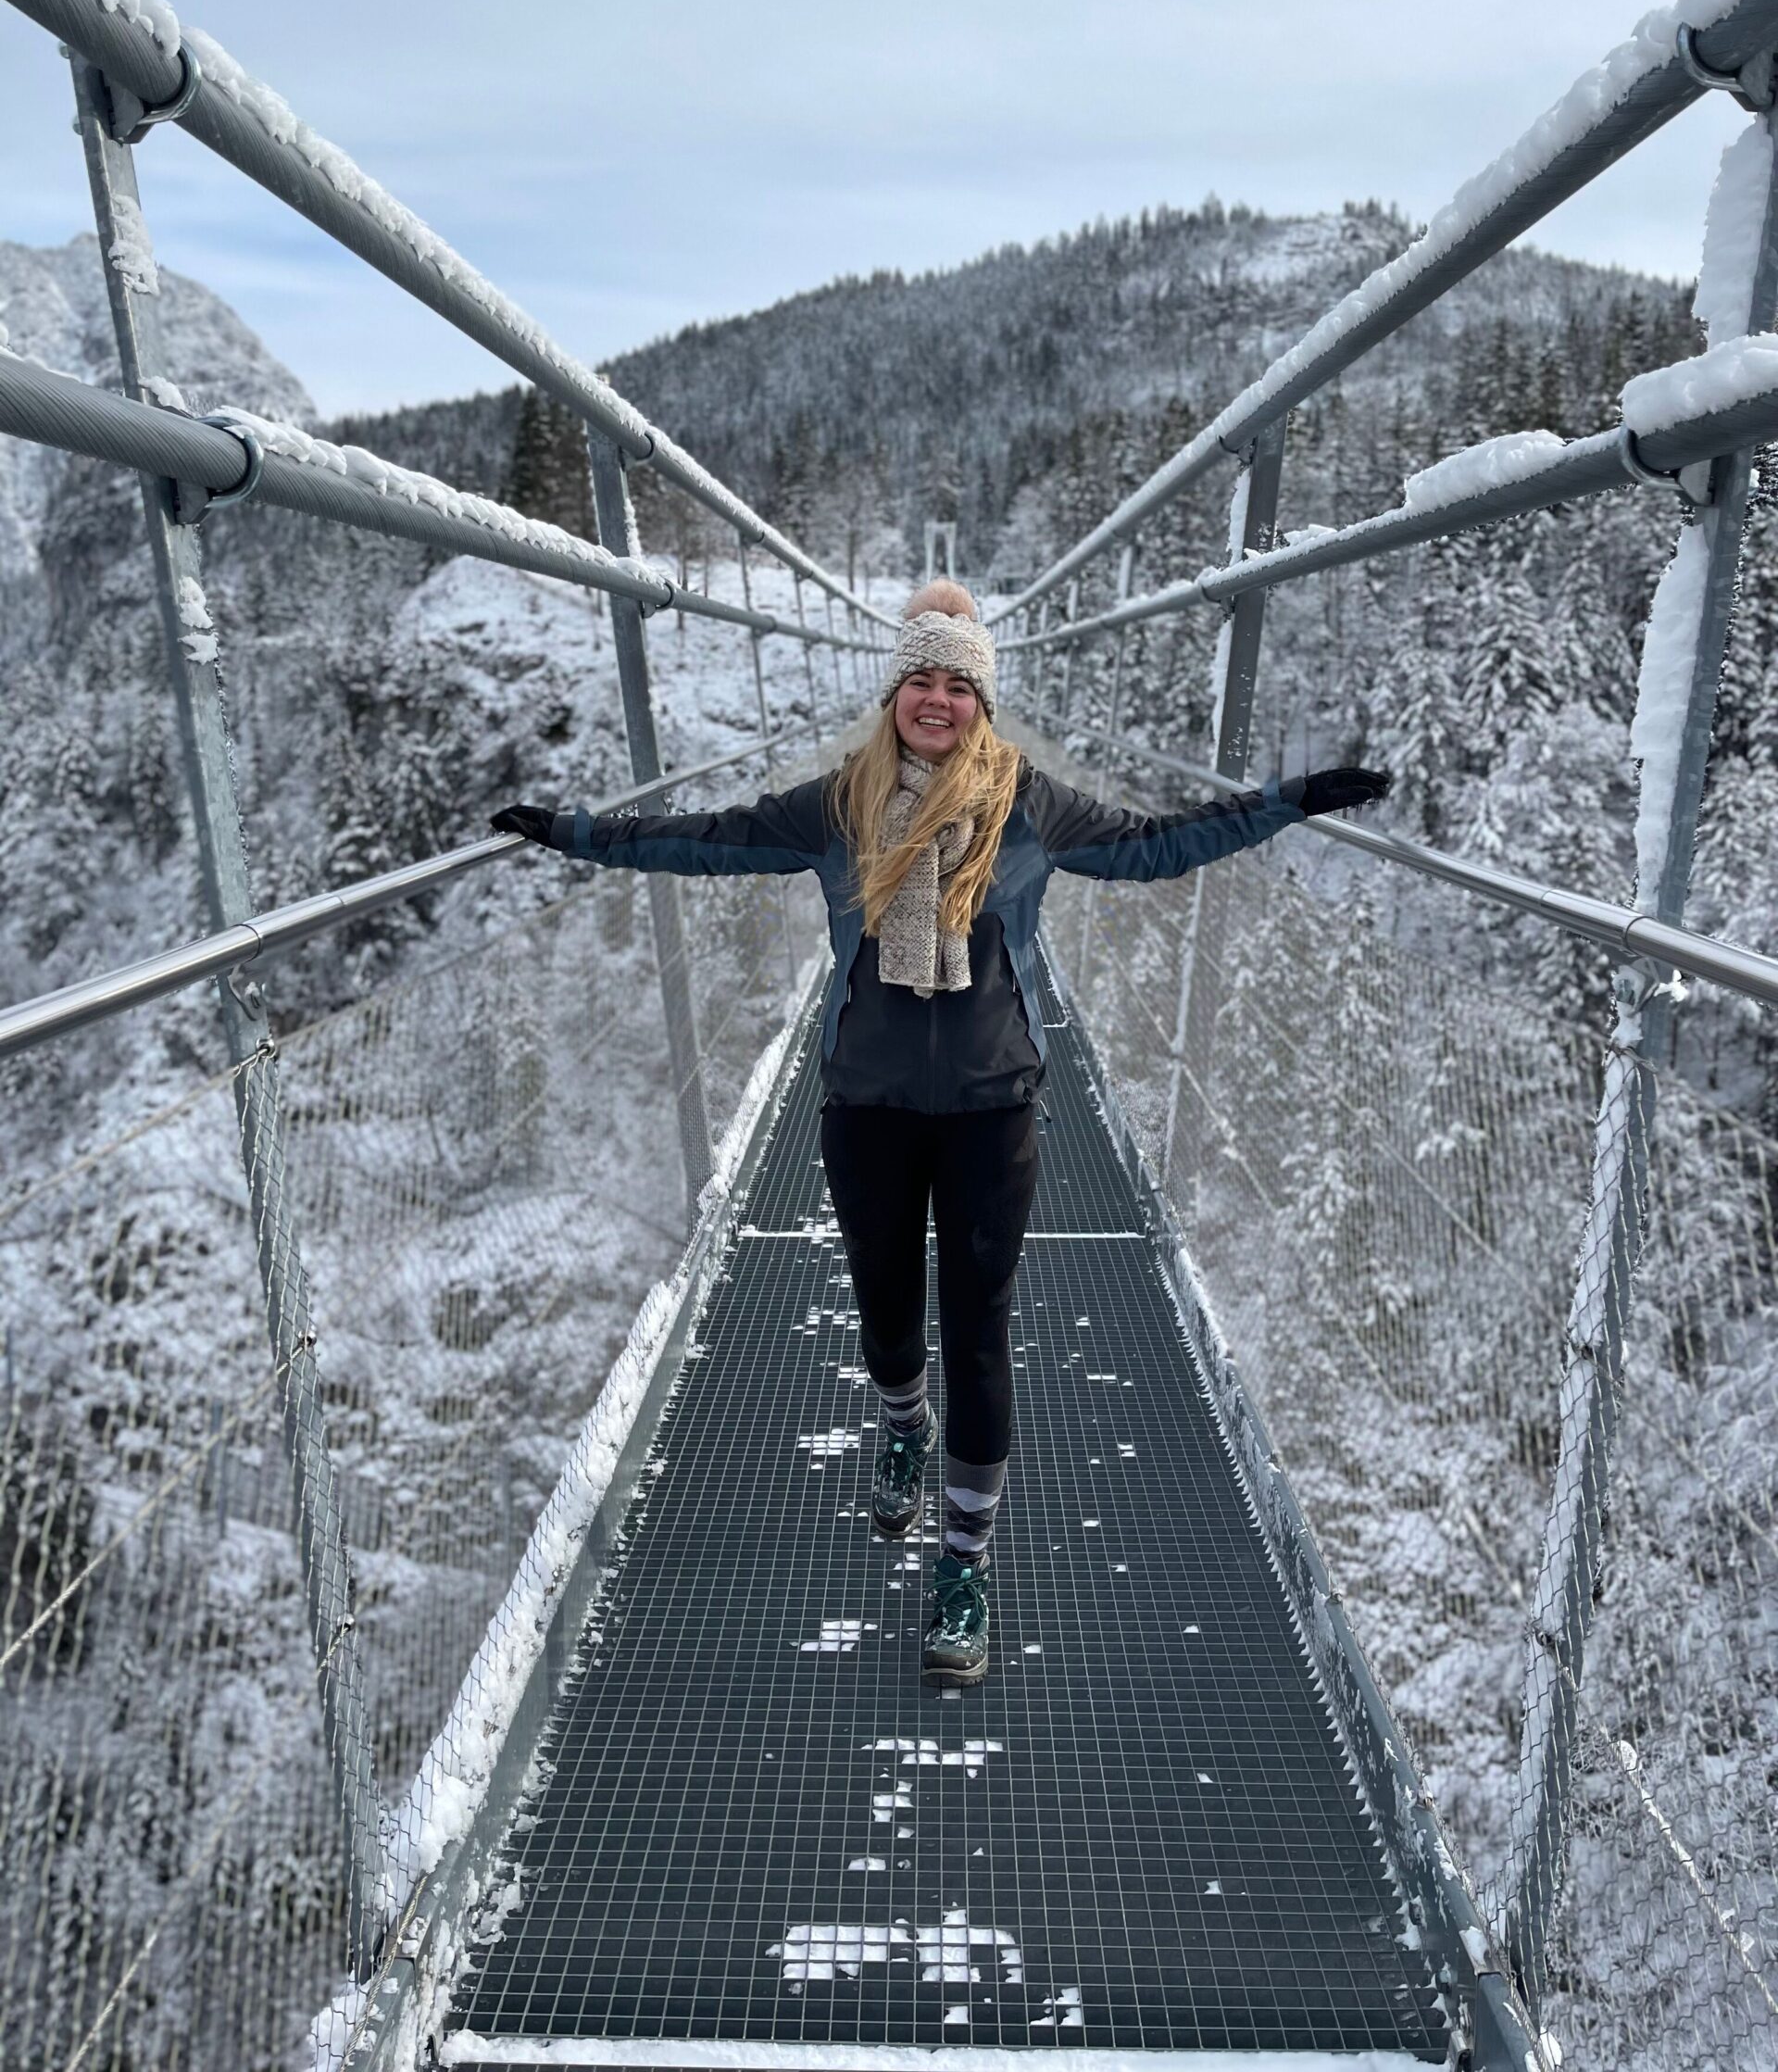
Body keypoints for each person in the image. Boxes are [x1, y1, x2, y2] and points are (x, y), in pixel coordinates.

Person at [492, 580, 1386, 1687]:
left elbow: (1158, 845)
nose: (938, 698)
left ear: (983, 703)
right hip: (864, 1109)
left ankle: (964, 1565)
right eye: (922, 676)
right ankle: (903, 1427)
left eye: (961, 684)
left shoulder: (1030, 807)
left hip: (989, 1112)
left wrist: (1290, 799)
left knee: (977, 1329)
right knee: (885, 1319)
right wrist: (576, 834)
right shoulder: (838, 806)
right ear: (893, 690)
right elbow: (703, 838)